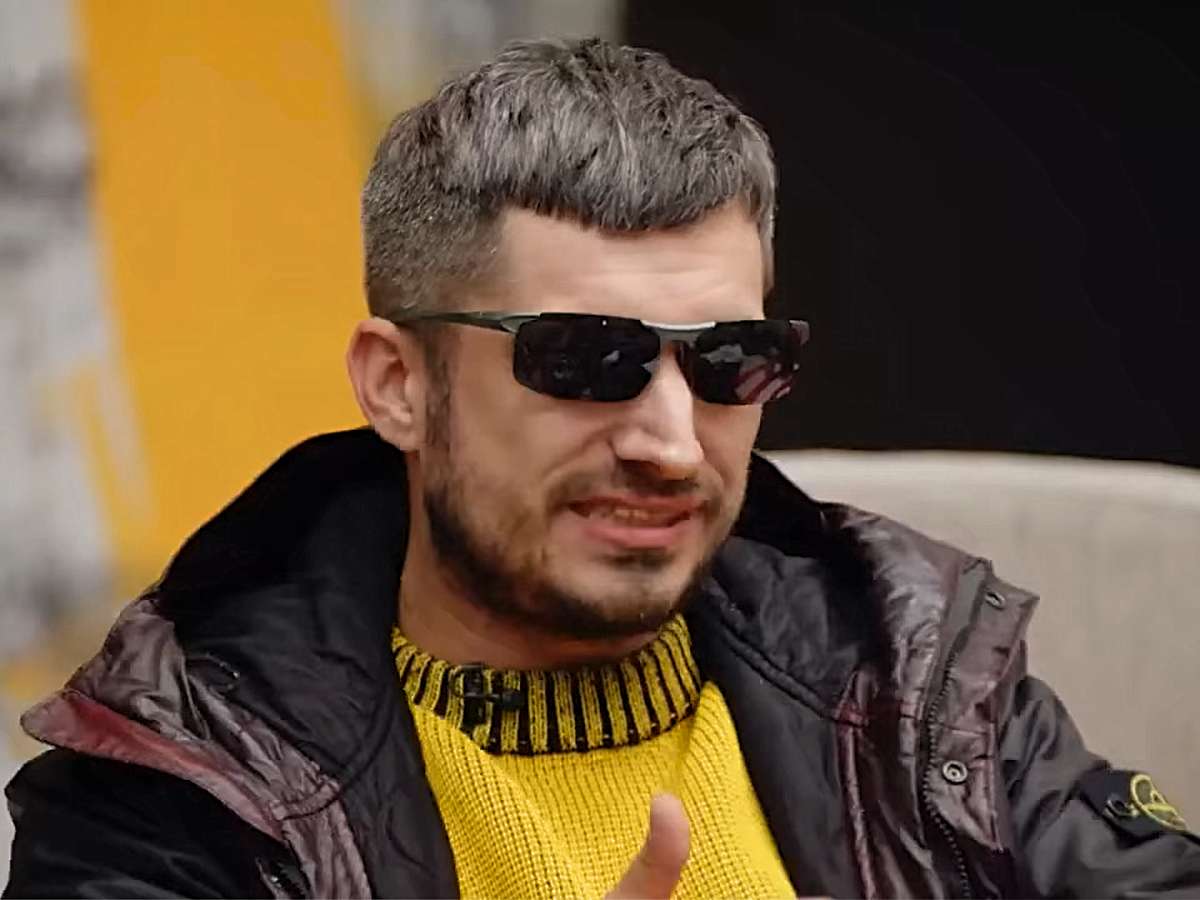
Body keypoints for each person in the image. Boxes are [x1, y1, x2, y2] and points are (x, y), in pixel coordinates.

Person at [4, 37, 1198, 900]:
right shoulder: (182, 785)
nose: (671, 441)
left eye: (729, 360)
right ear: (398, 384)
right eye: (584, 360)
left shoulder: (913, 671)